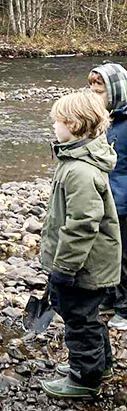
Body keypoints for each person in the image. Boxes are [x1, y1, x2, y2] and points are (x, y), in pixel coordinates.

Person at [40, 90, 120, 398]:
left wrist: (64, 267)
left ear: (74, 124)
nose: (54, 127)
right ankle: (102, 365)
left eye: (57, 121)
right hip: (90, 262)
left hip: (84, 265)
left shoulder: (80, 170)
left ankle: (85, 379)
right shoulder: (76, 158)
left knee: (79, 319)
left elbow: (82, 224)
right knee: (88, 314)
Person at [89, 63, 127, 330]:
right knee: (106, 251)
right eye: (91, 89)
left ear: (116, 92)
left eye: (99, 91)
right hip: (106, 197)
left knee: (124, 256)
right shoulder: (103, 119)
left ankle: (125, 309)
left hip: (124, 201)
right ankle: (110, 297)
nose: (93, 95)